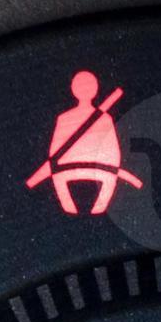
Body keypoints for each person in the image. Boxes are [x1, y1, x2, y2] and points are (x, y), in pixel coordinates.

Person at [27, 70, 144, 216]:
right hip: (100, 167)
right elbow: (113, 150)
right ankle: (97, 208)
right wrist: (114, 167)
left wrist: (54, 166)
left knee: (59, 178)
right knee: (108, 179)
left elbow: (54, 151)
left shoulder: (64, 118)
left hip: (65, 168)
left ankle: (71, 207)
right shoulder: (104, 118)